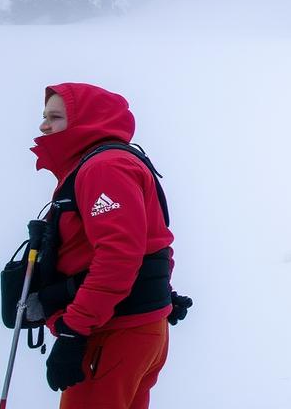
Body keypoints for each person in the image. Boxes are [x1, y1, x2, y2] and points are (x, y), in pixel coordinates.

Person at [30, 83, 187, 407]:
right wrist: (162, 293)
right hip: (136, 327)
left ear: (86, 120)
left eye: (55, 116)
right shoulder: (109, 163)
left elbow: (118, 255)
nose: (44, 125)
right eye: (44, 116)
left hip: (114, 333)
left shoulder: (104, 168)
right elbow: (154, 241)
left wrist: (74, 331)